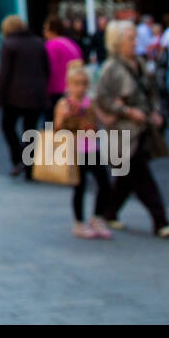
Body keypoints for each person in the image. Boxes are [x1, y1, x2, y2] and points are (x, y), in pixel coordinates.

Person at [95, 20, 169, 238]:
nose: (135, 42)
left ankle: (109, 212)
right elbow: (101, 97)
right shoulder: (111, 68)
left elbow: (152, 92)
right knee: (141, 174)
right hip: (122, 132)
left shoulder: (139, 63)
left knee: (127, 176)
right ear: (118, 43)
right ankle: (161, 220)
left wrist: (155, 111)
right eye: (130, 39)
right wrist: (126, 110)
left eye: (134, 38)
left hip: (142, 128)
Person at [54, 61, 112, 239]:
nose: (80, 88)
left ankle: (97, 217)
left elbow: (104, 120)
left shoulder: (90, 102)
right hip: (75, 151)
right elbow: (56, 129)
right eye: (76, 84)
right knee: (80, 187)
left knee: (104, 183)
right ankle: (79, 222)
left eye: (84, 84)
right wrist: (63, 118)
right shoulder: (64, 104)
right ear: (68, 85)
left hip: (92, 148)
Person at [0, 15, 49, 179]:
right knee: (30, 130)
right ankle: (29, 167)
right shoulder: (38, 42)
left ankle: (18, 158)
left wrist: (1, 95)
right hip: (36, 94)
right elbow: (46, 68)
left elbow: (4, 73)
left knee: (7, 126)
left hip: (15, 94)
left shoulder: (8, 44)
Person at [44, 16, 82, 123]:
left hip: (56, 90)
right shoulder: (71, 43)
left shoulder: (51, 45)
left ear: (53, 30)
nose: (44, 32)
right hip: (73, 88)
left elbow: (51, 69)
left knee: (51, 123)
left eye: (46, 29)